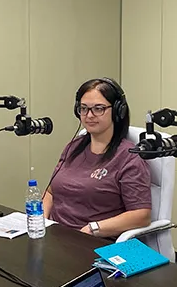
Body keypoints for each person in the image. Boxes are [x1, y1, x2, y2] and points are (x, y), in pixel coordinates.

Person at [42, 77, 152, 238]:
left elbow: (141, 215)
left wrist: (92, 229)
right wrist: (41, 220)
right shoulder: (73, 147)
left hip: (94, 241)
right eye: (84, 108)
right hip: (56, 237)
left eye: (98, 108)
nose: (89, 115)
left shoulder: (129, 157)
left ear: (117, 111)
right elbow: (51, 192)